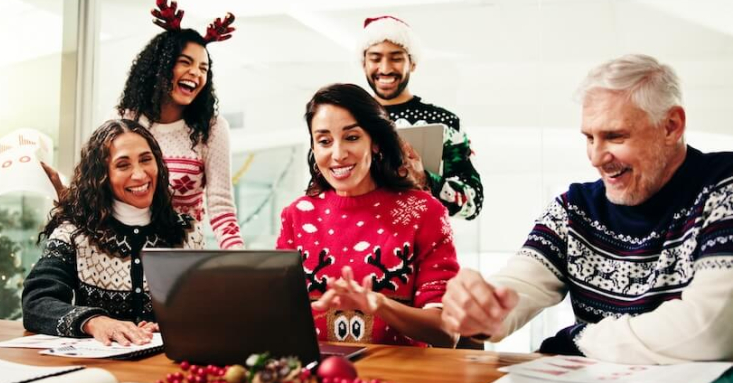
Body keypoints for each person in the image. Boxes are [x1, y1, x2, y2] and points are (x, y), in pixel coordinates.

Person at [440, 54, 733, 364]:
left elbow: (712, 329)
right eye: (589, 137)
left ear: (671, 127)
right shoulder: (574, 209)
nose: (595, 157)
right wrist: (483, 308)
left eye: (615, 136)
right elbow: (520, 286)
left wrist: (579, 339)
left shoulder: (725, 187)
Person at [44, 0, 244, 249]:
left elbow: (221, 207)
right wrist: (68, 200)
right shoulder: (121, 120)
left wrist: (240, 263)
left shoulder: (212, 129)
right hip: (121, 251)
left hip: (181, 254)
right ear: (161, 66)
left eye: (204, 68)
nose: (196, 73)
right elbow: (98, 191)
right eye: (185, 62)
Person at [276, 83, 459, 348]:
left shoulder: (425, 212)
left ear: (374, 142)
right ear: (314, 149)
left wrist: (379, 305)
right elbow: (278, 316)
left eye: (352, 137)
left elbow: (447, 332)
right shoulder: (296, 215)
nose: (338, 155)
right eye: (324, 141)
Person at [23, 119, 205, 346]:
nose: (139, 175)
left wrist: (173, 324)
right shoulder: (73, 233)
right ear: (102, 175)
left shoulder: (188, 232)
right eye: (123, 165)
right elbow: (37, 302)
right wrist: (95, 321)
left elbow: (204, 309)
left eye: (146, 160)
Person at [358, 16, 484, 220]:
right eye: (375, 58)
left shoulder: (442, 121)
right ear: (364, 64)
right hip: (361, 241)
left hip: (422, 242)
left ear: (412, 63)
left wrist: (426, 180)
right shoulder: (349, 118)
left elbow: (473, 202)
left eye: (396, 58)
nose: (385, 68)